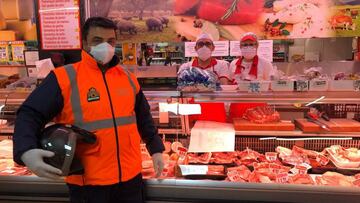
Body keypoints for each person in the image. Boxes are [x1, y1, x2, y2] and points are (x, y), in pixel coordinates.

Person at [13, 17, 165, 203]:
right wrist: (26, 150)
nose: (105, 46)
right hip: (88, 185)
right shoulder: (64, 77)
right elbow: (29, 113)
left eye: (110, 41)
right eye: (97, 40)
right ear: (84, 43)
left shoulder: (127, 77)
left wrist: (156, 148)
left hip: (130, 180)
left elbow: (143, 118)